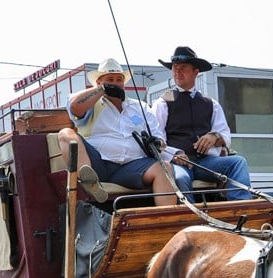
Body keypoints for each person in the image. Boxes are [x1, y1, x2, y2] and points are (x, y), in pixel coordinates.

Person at [56, 58, 191, 207]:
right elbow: (74, 106)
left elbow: (158, 139)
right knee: (65, 134)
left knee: (165, 167)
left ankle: (167, 220)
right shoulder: (91, 105)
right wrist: (102, 89)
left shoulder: (140, 107)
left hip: (131, 166)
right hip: (98, 164)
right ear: (99, 83)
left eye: (119, 79)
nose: (115, 83)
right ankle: (90, 181)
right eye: (110, 79)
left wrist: (158, 143)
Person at [151, 46, 251, 201]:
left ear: (196, 72)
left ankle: (240, 208)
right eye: (175, 68)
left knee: (238, 162)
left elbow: (225, 134)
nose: (177, 72)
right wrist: (174, 154)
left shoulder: (211, 104)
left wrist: (214, 136)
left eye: (183, 68)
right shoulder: (162, 103)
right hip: (179, 164)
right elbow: (156, 140)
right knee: (181, 178)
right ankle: (192, 220)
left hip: (207, 163)